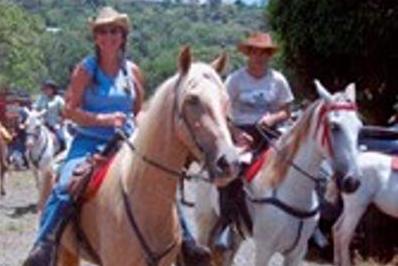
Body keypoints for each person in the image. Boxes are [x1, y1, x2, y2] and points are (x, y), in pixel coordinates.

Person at [23, 6, 208, 266]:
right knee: (66, 185)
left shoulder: (132, 72)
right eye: (103, 31)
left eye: (114, 31)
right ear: (96, 37)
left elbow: (136, 108)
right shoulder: (85, 70)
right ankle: (44, 245)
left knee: (161, 184)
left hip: (128, 141)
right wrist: (103, 120)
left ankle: (187, 243)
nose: (109, 36)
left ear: (122, 36)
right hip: (89, 141)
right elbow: (69, 110)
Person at [214, 32, 295, 250]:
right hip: (242, 133)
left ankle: (308, 224)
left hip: (270, 132)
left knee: (299, 164)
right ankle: (226, 224)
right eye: (255, 52)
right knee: (230, 171)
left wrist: (273, 117)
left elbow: (287, 110)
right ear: (248, 53)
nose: (259, 57)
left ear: (269, 55)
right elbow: (221, 112)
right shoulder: (235, 80)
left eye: (264, 53)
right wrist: (236, 132)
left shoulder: (278, 79)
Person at [33, 79, 66, 152]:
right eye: (45, 88)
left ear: (53, 89)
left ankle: (60, 156)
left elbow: (64, 112)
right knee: (30, 136)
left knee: (61, 139)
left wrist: (61, 121)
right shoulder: (41, 98)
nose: (46, 90)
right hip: (42, 124)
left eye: (48, 88)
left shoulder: (58, 99)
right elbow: (35, 108)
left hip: (54, 124)